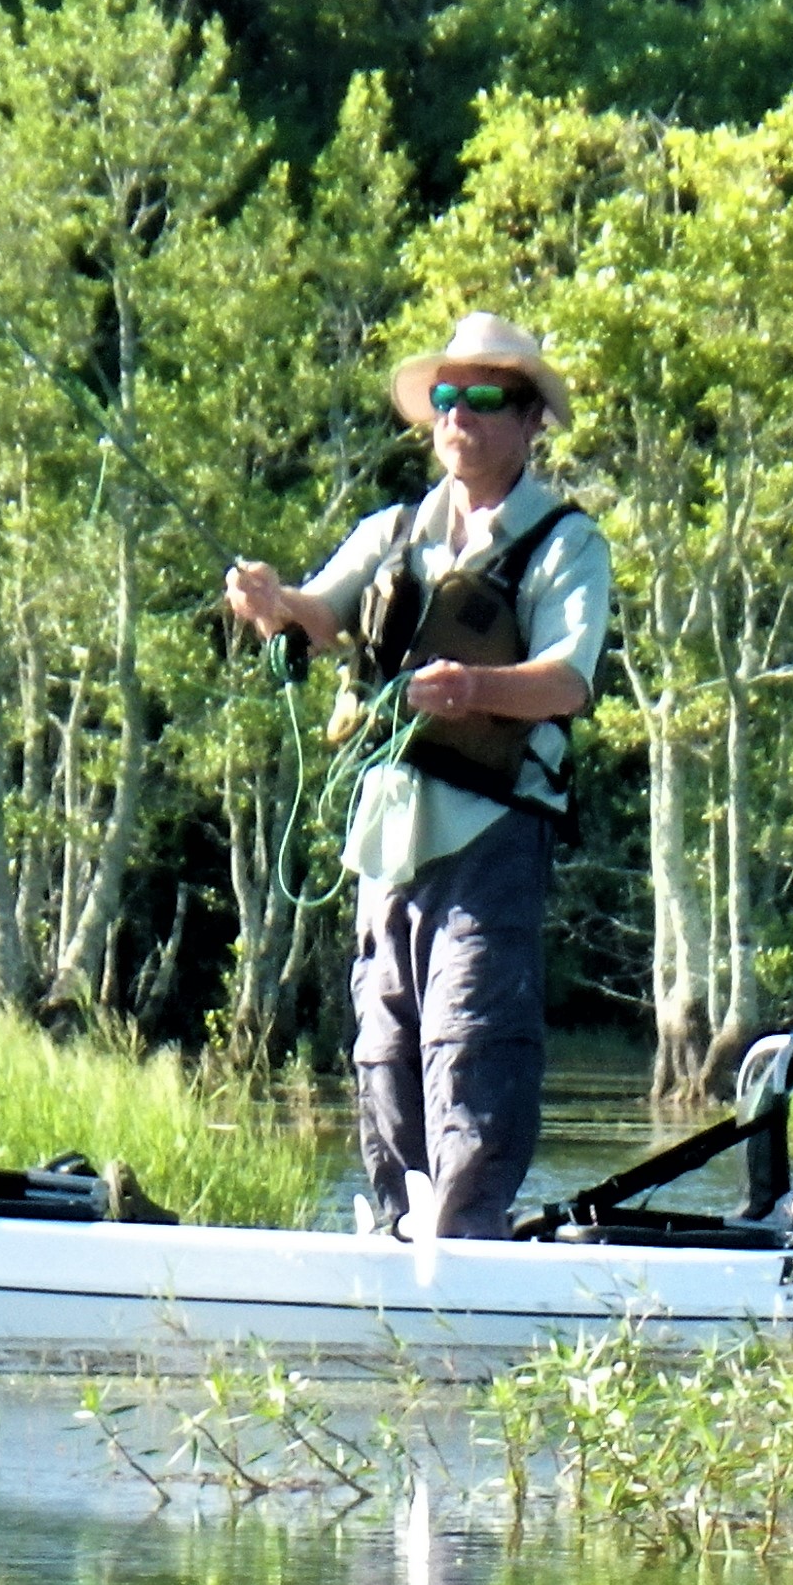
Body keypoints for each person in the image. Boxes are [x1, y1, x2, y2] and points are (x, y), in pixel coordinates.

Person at [226, 313, 611, 1238]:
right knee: (387, 1038)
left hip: (492, 830)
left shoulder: (565, 542)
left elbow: (569, 680)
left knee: (472, 1036)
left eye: (485, 400)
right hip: (386, 834)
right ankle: (400, 1224)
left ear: (529, 423)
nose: (458, 417)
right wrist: (270, 601)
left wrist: (474, 685)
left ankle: (466, 1236)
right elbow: (317, 613)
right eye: (446, 398)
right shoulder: (392, 529)